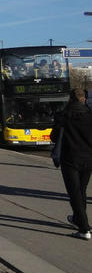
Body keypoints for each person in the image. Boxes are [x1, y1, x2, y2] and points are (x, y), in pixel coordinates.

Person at [51, 89, 92, 240]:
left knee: (74, 193)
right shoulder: (89, 115)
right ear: (84, 99)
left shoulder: (64, 116)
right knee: (82, 190)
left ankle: (84, 228)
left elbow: (54, 137)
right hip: (88, 159)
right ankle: (78, 219)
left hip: (70, 159)